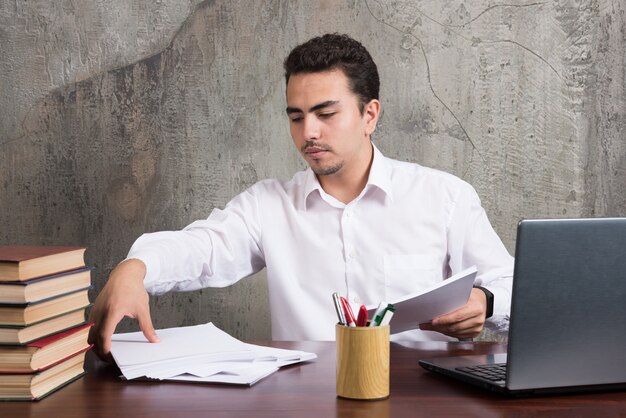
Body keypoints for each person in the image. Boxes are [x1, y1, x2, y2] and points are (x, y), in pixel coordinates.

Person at [89, 33, 513, 359]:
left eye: (326, 114)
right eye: (296, 116)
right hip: (306, 401)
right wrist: (136, 267)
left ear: (370, 115)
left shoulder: (444, 197)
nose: (308, 132)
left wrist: (484, 301)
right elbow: (201, 248)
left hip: (423, 400)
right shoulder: (269, 206)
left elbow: (511, 282)